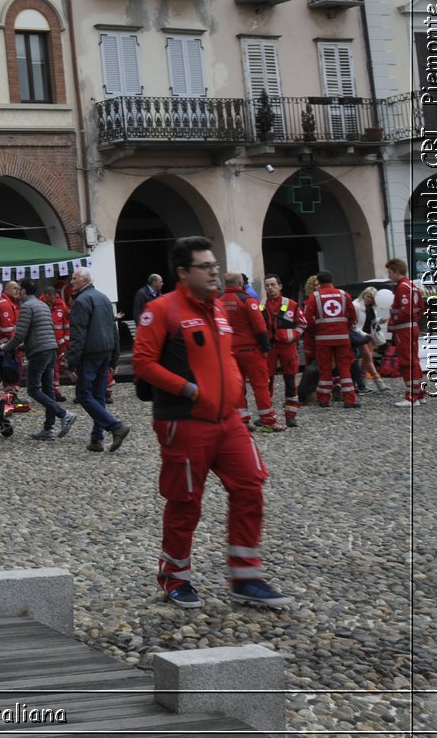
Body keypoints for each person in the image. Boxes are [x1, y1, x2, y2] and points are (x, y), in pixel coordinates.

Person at [133, 236, 291, 611]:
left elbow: (226, 357)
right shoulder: (161, 310)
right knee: (185, 501)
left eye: (216, 266)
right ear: (183, 273)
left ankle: (247, 576)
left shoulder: (218, 308)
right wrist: (189, 389)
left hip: (227, 418)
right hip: (184, 421)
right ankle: (174, 575)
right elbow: (143, 363)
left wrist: (235, 392)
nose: (214, 272)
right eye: (206, 267)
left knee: (251, 484)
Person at [2, 279, 76, 440]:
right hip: (51, 349)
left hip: (39, 352)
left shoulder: (27, 307)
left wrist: (5, 348)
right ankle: (48, 429)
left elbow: (20, 334)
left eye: (19, 289)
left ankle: (64, 414)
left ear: (24, 291)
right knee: (48, 390)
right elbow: (38, 330)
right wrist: (23, 346)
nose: (17, 292)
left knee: (33, 389)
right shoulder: (42, 305)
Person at [65, 267, 128, 453]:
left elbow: (78, 334)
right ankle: (96, 439)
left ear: (84, 280)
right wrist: (114, 357)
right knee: (98, 397)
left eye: (74, 278)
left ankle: (115, 426)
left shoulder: (82, 301)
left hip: (89, 355)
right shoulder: (104, 298)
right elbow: (112, 329)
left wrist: (72, 362)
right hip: (105, 352)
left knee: (84, 395)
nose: (71, 281)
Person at [219, 273, 278, 432]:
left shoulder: (218, 303)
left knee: (237, 386)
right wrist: (265, 348)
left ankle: (242, 421)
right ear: (240, 282)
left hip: (230, 351)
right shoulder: (248, 301)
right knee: (260, 385)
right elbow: (260, 327)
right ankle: (268, 420)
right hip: (251, 350)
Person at [303, 270, 358, 408]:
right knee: (344, 368)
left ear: (319, 283)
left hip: (323, 339)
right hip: (342, 338)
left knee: (324, 368)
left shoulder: (315, 297)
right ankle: (349, 400)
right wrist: (345, 328)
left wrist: (316, 331)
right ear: (332, 280)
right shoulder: (344, 295)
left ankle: (324, 399)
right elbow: (352, 315)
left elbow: (308, 319)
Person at [261, 274, 304, 428]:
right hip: (269, 349)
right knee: (266, 382)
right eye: (267, 285)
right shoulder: (260, 305)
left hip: (287, 348)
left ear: (280, 286)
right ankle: (267, 415)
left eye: (273, 285)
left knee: (290, 381)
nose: (270, 288)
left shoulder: (291, 304)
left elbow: (302, 325)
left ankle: (291, 416)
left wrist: (289, 335)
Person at [386, 258, 427, 407]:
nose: (389, 275)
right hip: (412, 327)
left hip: (404, 328)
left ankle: (411, 397)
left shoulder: (402, 287)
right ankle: (420, 394)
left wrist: (393, 320)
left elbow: (405, 310)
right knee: (414, 361)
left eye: (390, 272)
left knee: (407, 362)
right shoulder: (412, 286)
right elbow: (420, 308)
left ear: (397, 272)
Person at [355, 287, 381, 390]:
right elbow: (355, 324)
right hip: (360, 335)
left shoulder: (372, 308)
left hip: (369, 335)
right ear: (363, 295)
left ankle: (361, 382)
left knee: (366, 360)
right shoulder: (356, 306)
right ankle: (378, 380)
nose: (369, 299)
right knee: (368, 357)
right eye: (368, 296)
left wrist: (379, 320)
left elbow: (372, 320)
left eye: (371, 298)